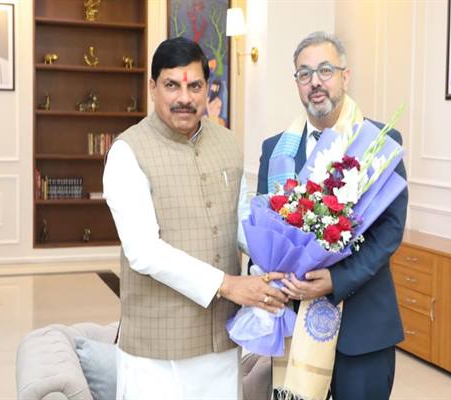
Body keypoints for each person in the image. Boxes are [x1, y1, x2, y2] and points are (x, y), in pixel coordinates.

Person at [103, 37, 287, 399]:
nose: (184, 98)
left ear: (207, 89)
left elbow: (241, 221)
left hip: (221, 336)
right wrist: (229, 285)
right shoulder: (127, 152)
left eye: (195, 86)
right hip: (157, 348)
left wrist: (284, 259)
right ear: (153, 87)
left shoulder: (227, 142)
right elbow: (143, 251)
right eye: (172, 85)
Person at [256, 31, 408, 399]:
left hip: (363, 328)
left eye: (325, 70)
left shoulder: (378, 142)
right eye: (304, 74)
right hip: (293, 327)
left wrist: (335, 280)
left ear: (345, 76)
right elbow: (264, 229)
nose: (315, 82)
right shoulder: (275, 151)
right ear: (296, 82)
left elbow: (388, 233)